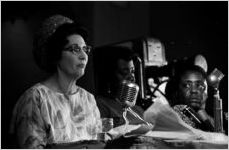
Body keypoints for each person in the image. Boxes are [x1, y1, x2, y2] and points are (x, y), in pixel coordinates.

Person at [9, 14, 102, 148]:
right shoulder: (35, 98)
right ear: (56, 54)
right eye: (75, 49)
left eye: (85, 49)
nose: (83, 56)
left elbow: (99, 145)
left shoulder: (88, 99)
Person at [95, 46, 149, 128]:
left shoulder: (138, 109)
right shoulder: (100, 105)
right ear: (110, 75)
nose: (131, 77)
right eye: (124, 72)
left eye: (132, 71)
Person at [165, 63, 214, 132]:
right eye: (187, 85)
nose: (194, 90)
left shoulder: (212, 118)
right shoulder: (175, 114)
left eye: (199, 85)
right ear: (178, 89)